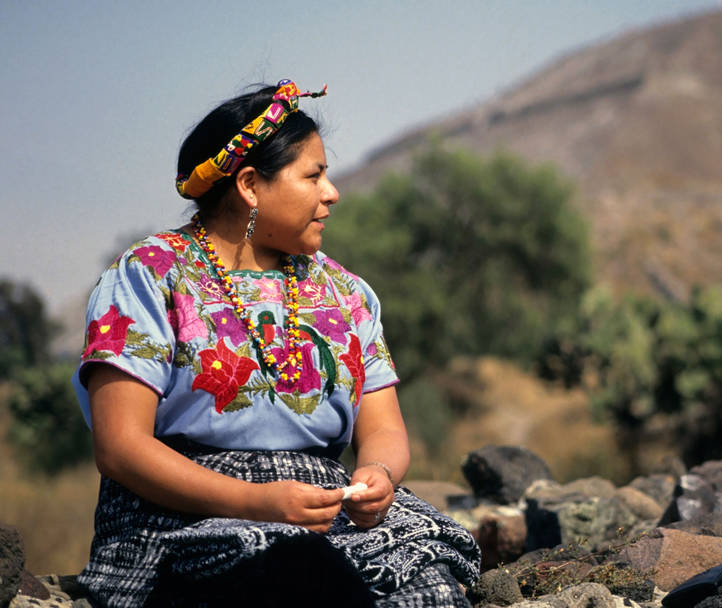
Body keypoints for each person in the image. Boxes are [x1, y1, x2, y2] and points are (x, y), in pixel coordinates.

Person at [72, 80, 481, 607]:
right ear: (249, 185)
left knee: (429, 591)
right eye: (313, 175)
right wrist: (256, 502)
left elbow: (382, 428)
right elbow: (121, 448)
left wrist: (376, 475)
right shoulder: (151, 277)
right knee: (293, 578)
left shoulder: (346, 292)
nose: (332, 192)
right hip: (181, 513)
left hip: (319, 507)